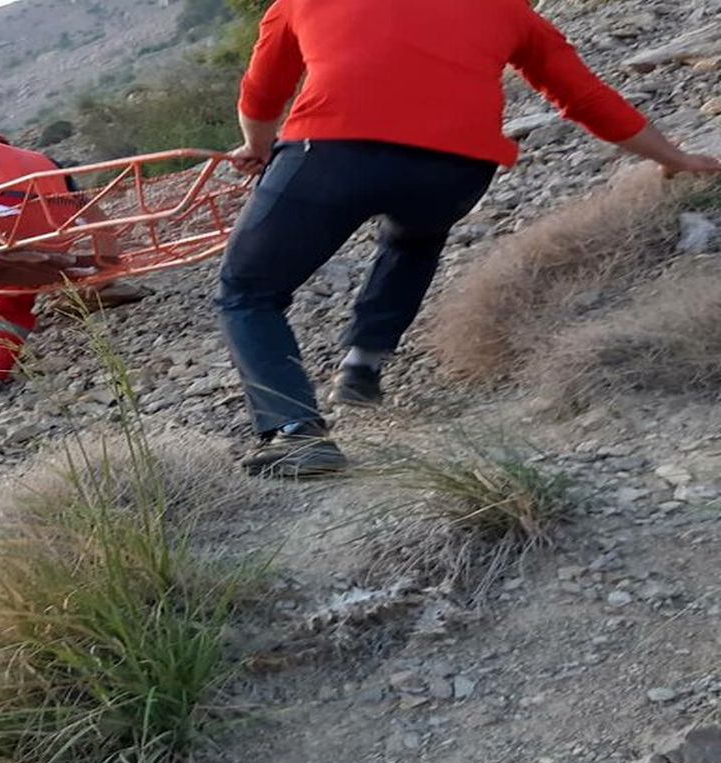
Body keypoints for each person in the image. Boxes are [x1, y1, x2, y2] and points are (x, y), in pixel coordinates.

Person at [219, 0, 721, 478]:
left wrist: (258, 150)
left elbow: (264, 93)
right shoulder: (506, 8)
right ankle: (362, 365)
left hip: (330, 154)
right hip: (456, 168)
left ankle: (297, 433)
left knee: (247, 290)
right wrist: (673, 158)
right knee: (415, 238)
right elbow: (583, 96)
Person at [0, 131, 137, 400]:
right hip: (51, 235)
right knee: (16, 296)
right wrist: (107, 268)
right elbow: (96, 217)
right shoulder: (47, 162)